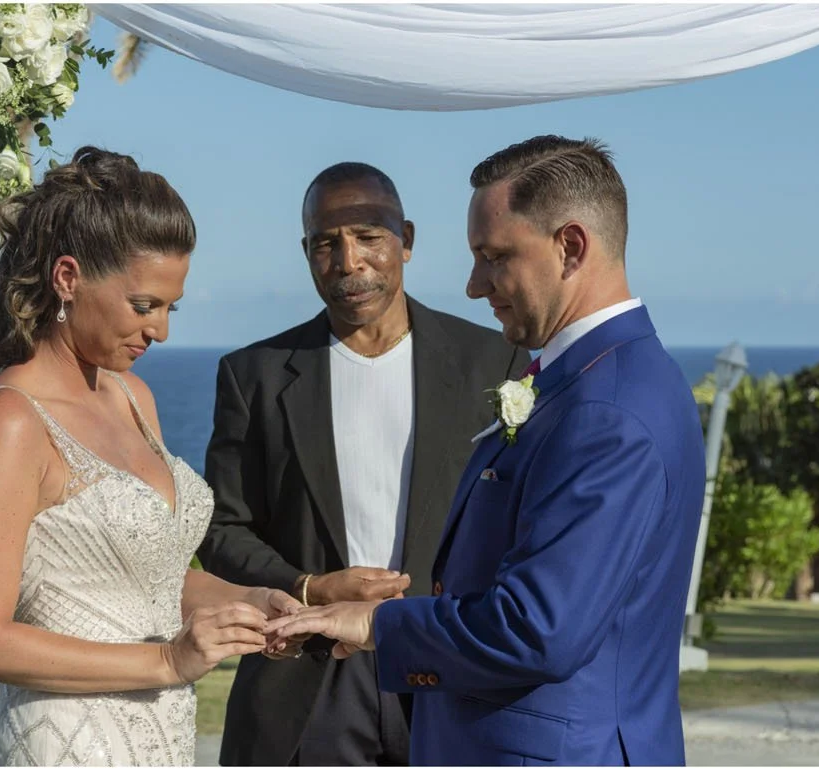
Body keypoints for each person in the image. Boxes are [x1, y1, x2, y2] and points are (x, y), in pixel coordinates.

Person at [268, 136, 705, 766]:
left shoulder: (607, 409)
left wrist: (376, 625)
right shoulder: (587, 380)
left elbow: (539, 628)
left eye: (495, 256)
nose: (474, 286)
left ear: (571, 247)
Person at [0, 146, 301, 767]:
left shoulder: (135, 397)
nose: (160, 331)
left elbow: (144, 578)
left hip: (159, 739)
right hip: (61, 743)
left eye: (169, 307)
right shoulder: (10, 420)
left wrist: (249, 603)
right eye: (143, 305)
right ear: (68, 278)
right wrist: (167, 660)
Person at [199, 162, 527, 765]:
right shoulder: (255, 375)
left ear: (406, 238)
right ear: (307, 253)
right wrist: (311, 587)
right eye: (326, 243)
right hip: (310, 683)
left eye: (369, 237)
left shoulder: (495, 364)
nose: (348, 262)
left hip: (445, 667)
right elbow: (221, 529)